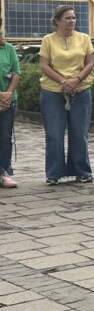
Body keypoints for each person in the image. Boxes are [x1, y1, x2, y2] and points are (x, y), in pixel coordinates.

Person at [38, 5, 94, 185]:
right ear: (57, 21)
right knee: (54, 134)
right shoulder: (48, 40)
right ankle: (53, 173)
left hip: (81, 90)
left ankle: (82, 171)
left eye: (74, 17)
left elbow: (90, 63)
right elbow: (44, 65)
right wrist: (63, 81)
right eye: (68, 18)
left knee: (79, 133)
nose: (72, 21)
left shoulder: (84, 38)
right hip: (52, 92)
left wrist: (76, 80)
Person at [0, 18, 21, 188]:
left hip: (8, 101)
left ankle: (4, 172)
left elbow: (16, 73)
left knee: (5, 138)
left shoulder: (8, 49)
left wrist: (7, 94)